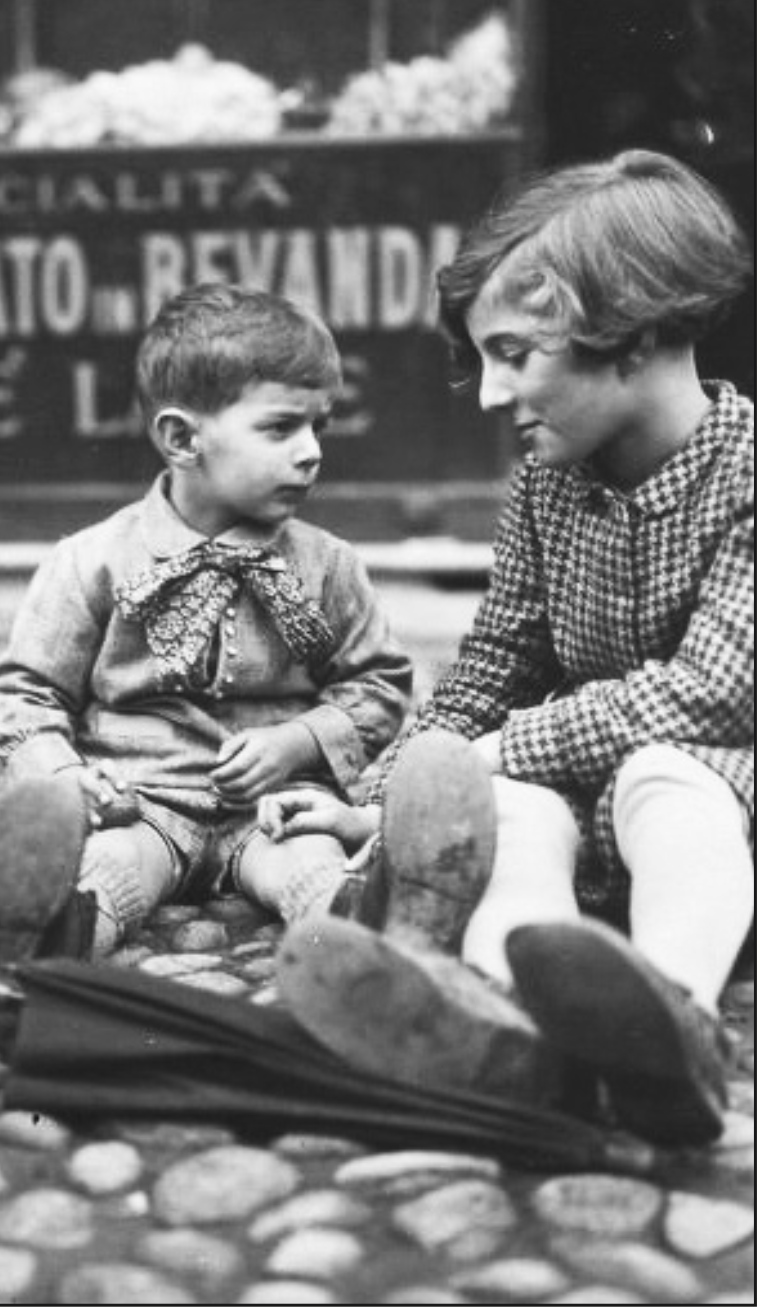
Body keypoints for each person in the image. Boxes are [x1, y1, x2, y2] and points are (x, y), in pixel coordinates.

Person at [269, 148, 755, 1146]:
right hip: (583, 803)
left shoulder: (749, 472)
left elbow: (713, 694)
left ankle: (675, 1022)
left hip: (721, 805)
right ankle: (501, 1021)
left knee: (665, 776)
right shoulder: (547, 482)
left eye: (515, 353)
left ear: (634, 336)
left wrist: (502, 749)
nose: (490, 394)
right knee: (510, 809)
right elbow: (497, 663)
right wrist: (394, 794)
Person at [0, 281, 412, 1035]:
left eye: (319, 426)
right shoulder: (93, 560)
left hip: (272, 809)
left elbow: (380, 683)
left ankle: (356, 964)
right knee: (112, 868)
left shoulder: (328, 566)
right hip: (142, 800)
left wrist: (298, 741)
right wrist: (64, 780)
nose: (312, 452)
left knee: (311, 866)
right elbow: (27, 694)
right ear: (181, 439)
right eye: (282, 427)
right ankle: (22, 960)